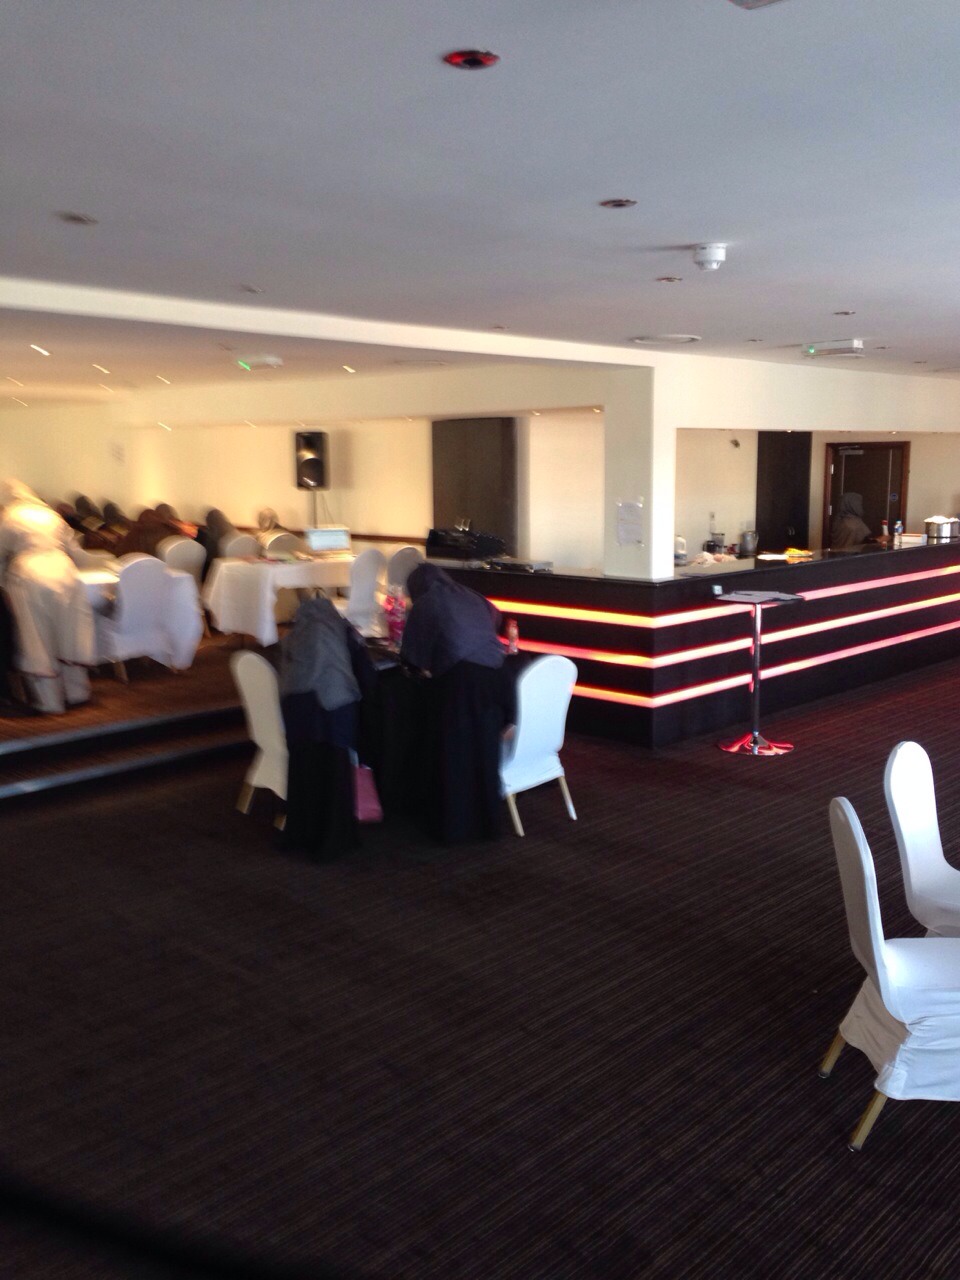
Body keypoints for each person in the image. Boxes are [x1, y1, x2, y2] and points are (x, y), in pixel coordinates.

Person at [400, 563, 515, 843]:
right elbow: (494, 617)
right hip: (497, 674)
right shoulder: (470, 594)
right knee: (484, 748)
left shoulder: (427, 602)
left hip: (463, 680)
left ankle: (455, 826)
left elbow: (412, 656)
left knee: (455, 752)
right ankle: (487, 822)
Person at [278, 594, 374, 859]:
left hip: (299, 711)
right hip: (334, 709)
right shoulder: (342, 629)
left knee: (305, 770)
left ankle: (302, 833)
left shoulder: (293, 635)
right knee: (334, 771)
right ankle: (333, 838)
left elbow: (284, 676)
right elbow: (366, 674)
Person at [0, 479, 96, 713]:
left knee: (37, 636)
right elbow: (75, 551)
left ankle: (50, 701)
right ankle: (77, 692)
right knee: (69, 631)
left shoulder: (10, 517)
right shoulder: (52, 516)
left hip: (30, 573)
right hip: (63, 570)